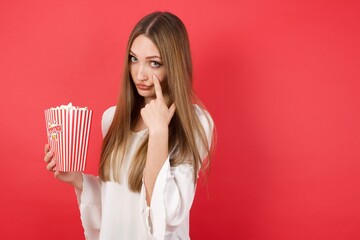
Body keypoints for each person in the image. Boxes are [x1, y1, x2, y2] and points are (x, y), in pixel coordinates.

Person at [44, 11, 214, 240]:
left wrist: (158, 133)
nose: (140, 74)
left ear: (174, 66)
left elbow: (169, 215)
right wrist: (76, 178)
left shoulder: (194, 124)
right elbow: (117, 198)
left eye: (154, 63)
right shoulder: (113, 119)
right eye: (134, 59)